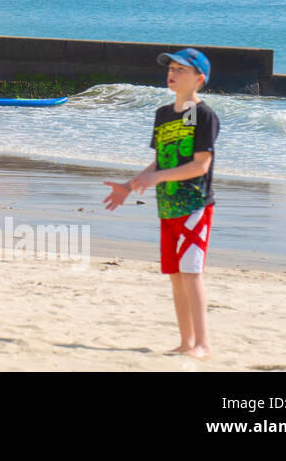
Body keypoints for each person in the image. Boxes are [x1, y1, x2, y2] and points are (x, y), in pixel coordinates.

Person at [103, 48, 220, 359]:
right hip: (166, 206)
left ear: (199, 79)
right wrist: (129, 185)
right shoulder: (163, 114)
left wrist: (158, 178)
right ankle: (185, 342)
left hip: (194, 205)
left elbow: (200, 166)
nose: (173, 72)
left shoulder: (204, 115)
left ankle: (202, 344)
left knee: (192, 273)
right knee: (176, 275)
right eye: (171, 67)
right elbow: (157, 163)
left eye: (181, 69)